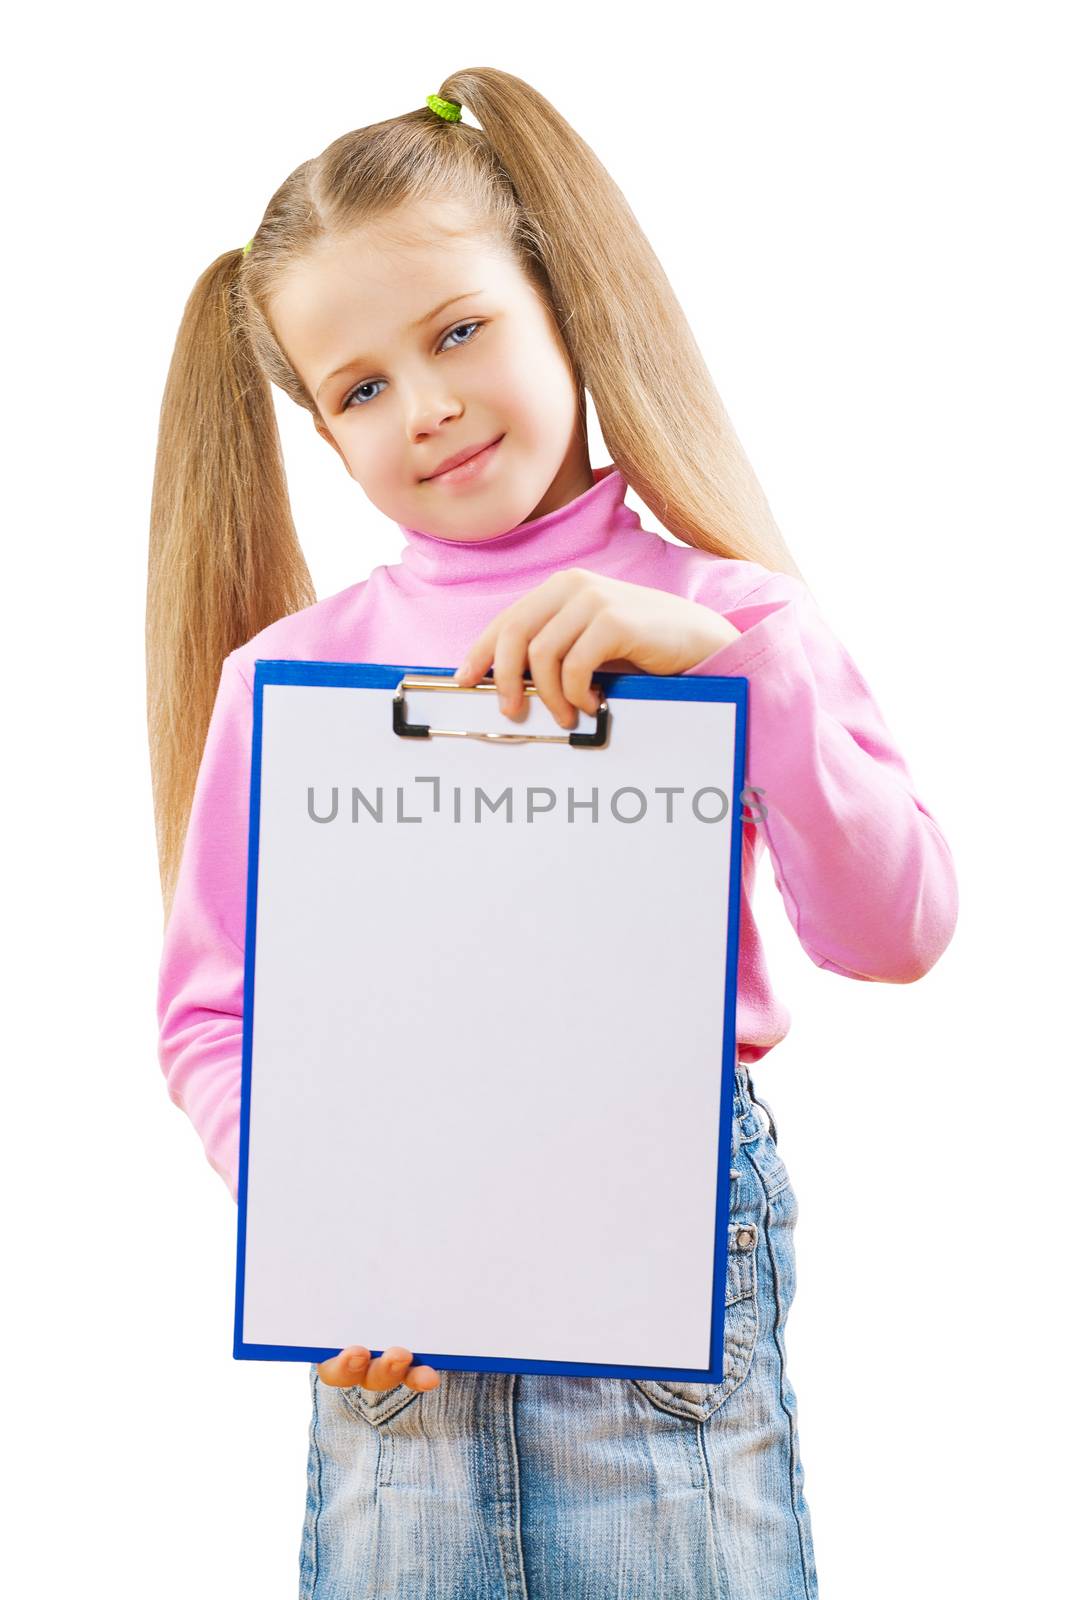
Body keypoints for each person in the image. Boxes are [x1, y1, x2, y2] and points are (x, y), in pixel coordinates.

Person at [146, 68, 958, 1600]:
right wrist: (310, 1210)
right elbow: (205, 1014)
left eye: (458, 331)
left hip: (660, 1303)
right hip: (396, 1341)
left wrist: (744, 670)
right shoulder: (288, 681)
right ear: (320, 433)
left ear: (558, 301)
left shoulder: (727, 619)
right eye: (362, 387)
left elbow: (897, 928)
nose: (430, 403)